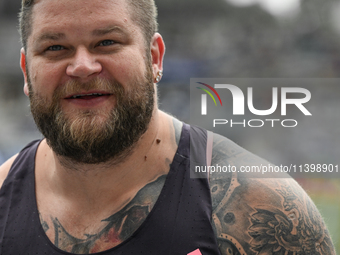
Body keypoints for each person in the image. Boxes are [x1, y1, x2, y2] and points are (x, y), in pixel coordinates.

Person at [0, 0, 336, 254]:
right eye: (55, 48)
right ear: (27, 70)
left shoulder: (260, 206)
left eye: (107, 42)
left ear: (155, 58)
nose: (83, 66)